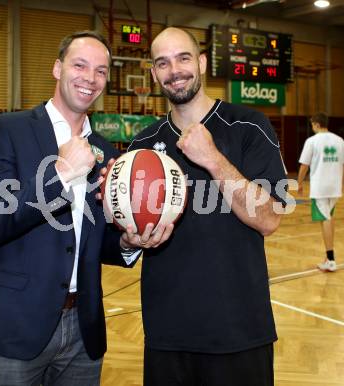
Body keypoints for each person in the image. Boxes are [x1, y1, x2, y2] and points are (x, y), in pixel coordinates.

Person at [0, 30, 171, 386]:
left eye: (101, 70)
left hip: (82, 329)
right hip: (16, 323)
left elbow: (94, 240)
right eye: (80, 65)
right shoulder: (7, 129)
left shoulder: (107, 152)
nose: (90, 78)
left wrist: (127, 244)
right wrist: (60, 174)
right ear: (57, 68)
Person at [124, 27, 288, 386]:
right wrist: (127, 237)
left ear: (200, 63)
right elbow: (125, 235)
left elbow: (270, 219)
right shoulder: (143, 144)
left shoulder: (248, 125)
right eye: (163, 63)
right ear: (154, 74)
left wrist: (213, 159)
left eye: (183, 58)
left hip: (239, 331)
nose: (174, 70)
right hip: (167, 334)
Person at [297, 112, 344, 272]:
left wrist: (299, 183)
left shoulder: (312, 141)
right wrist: (341, 184)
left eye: (312, 124)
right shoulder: (339, 140)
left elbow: (304, 165)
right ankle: (328, 258)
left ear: (317, 124)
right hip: (334, 188)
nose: (312, 127)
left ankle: (331, 259)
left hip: (320, 188)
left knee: (326, 219)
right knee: (329, 218)